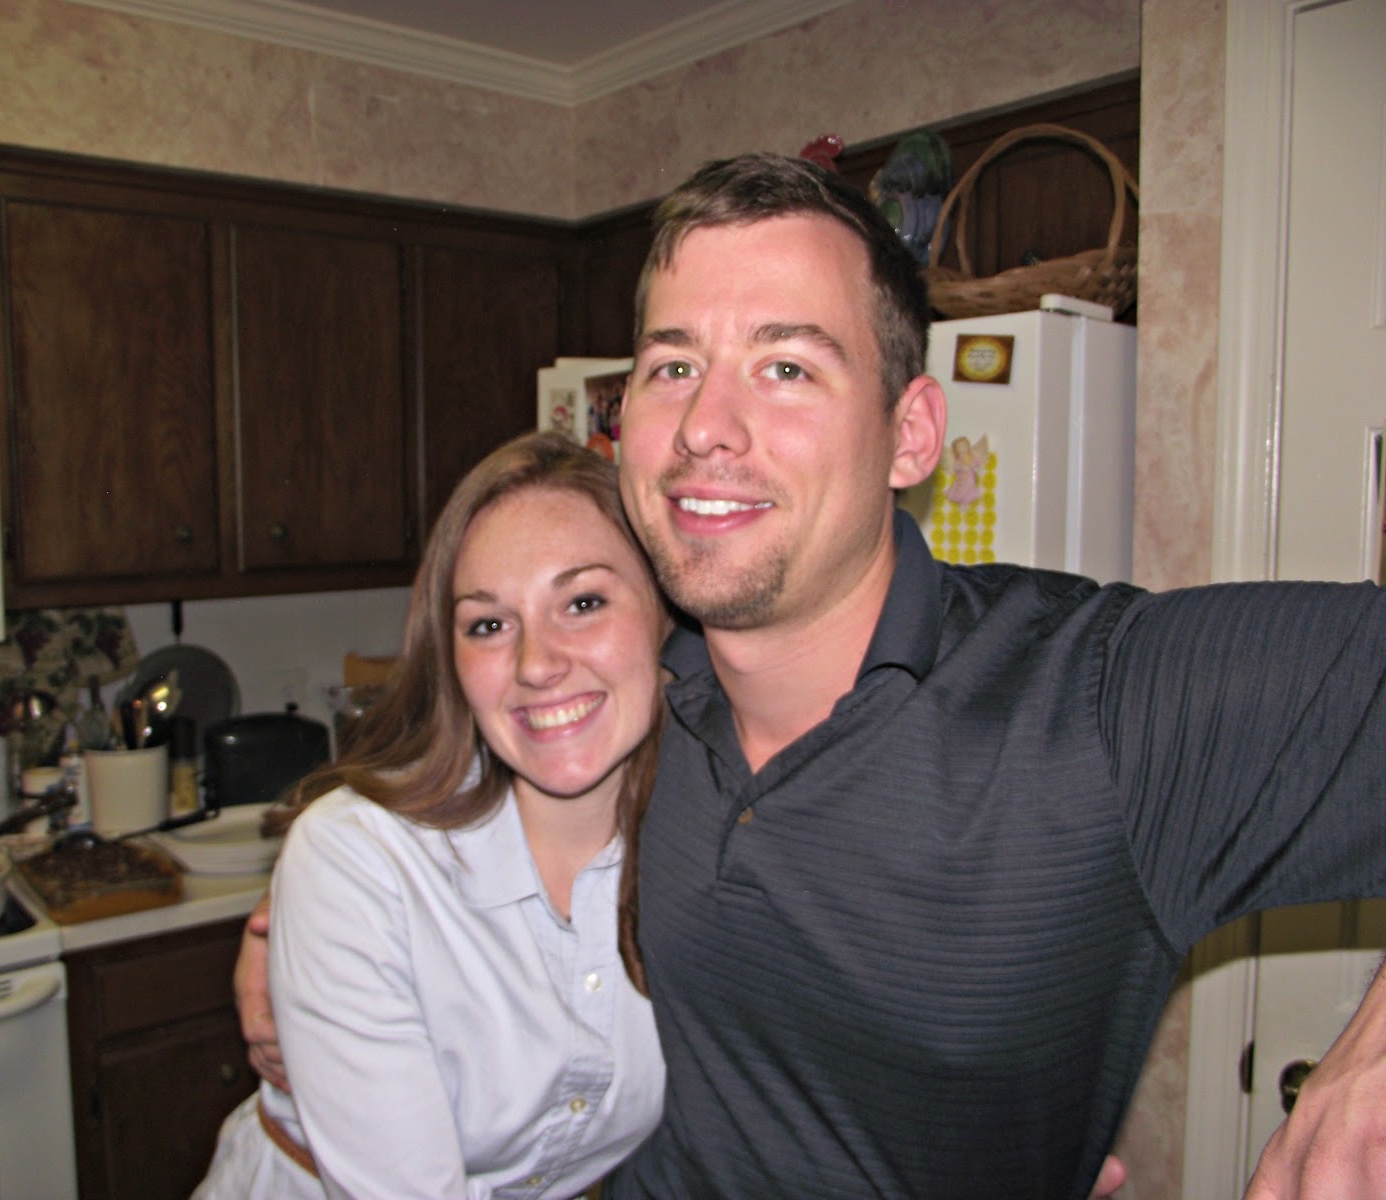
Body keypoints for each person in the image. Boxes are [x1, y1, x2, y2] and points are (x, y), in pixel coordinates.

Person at [239, 152, 1386, 1198]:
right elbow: (467, 797)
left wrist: (1371, 1060)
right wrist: (300, 930)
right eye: (673, 365)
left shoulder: (1101, 706)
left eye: (785, 366)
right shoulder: (642, 690)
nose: (706, 425)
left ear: (911, 434)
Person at [196, 432, 669, 1198]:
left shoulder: (713, 844)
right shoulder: (363, 863)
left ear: (667, 615)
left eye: (584, 603)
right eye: (488, 624)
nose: (537, 664)